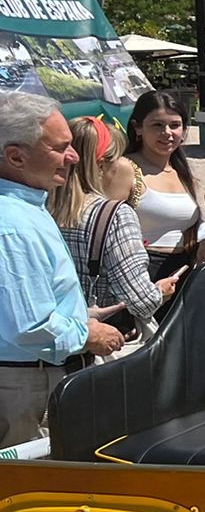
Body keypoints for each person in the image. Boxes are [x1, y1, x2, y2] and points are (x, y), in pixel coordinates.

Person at [0, 93, 123, 444]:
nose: (73, 157)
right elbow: (29, 326)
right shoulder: (12, 223)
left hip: (31, 379)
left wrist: (79, 315)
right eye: (61, 148)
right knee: (37, 492)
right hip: (28, 389)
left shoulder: (25, 207)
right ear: (16, 156)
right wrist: (87, 334)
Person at [55, 115, 171, 349]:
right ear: (101, 164)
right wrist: (160, 291)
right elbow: (140, 301)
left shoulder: (41, 207)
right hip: (103, 344)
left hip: (57, 340)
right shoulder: (114, 214)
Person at [124, 90, 205, 283]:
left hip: (183, 271)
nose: (167, 133)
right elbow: (107, 225)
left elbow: (189, 217)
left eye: (174, 125)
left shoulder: (180, 171)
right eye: (157, 125)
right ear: (137, 128)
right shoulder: (125, 169)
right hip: (141, 275)